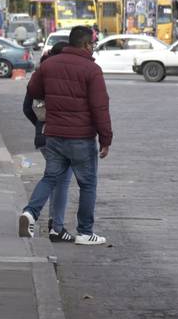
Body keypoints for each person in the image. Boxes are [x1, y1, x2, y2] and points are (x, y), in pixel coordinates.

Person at [18, 26, 112, 245]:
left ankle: (30, 213)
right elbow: (100, 107)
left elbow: (33, 91)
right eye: (93, 44)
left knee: (50, 177)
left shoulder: (48, 64)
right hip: (81, 137)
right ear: (87, 44)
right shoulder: (92, 69)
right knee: (87, 183)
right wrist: (105, 139)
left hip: (54, 134)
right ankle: (85, 232)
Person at [22, 41, 75, 243]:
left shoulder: (41, 73)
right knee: (60, 180)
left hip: (42, 134)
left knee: (53, 177)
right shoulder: (67, 75)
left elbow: (27, 107)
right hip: (63, 134)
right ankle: (52, 225)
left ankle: (43, 220)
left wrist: (38, 124)